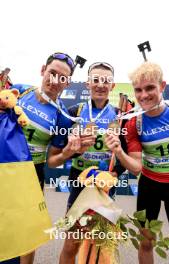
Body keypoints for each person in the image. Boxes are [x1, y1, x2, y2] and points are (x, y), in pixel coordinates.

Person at [47, 62, 128, 264]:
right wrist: (74, 149)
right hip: (79, 182)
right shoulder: (75, 112)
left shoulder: (121, 116)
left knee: (100, 244)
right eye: (96, 80)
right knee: (71, 243)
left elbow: (125, 154)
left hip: (106, 184)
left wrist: (115, 173)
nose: (100, 84)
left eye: (106, 80)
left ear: (113, 85)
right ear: (87, 84)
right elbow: (60, 153)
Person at [11, 52, 84, 264]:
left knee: (28, 237)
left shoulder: (62, 116)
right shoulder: (20, 91)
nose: (55, 81)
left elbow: (53, 160)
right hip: (3, 167)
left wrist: (68, 153)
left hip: (32, 175)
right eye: (52, 73)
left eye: (62, 78)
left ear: (67, 83)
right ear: (43, 70)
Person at [105, 62, 169, 264]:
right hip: (150, 186)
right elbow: (136, 167)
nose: (143, 95)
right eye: (138, 90)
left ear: (162, 86)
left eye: (150, 88)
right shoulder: (134, 122)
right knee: (145, 242)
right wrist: (118, 151)